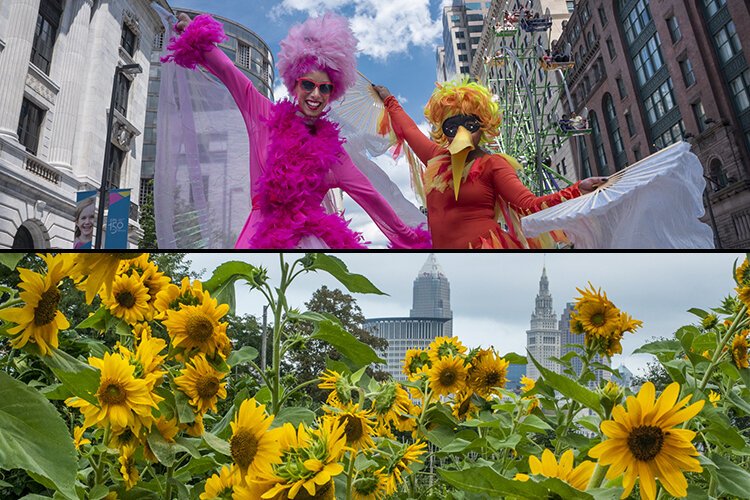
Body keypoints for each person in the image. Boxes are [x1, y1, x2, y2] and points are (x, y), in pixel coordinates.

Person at [161, 13, 430, 249]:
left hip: (310, 240)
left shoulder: (335, 156)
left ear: (332, 93)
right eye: (308, 85)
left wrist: (410, 238)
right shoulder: (262, 113)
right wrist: (196, 37)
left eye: (324, 88)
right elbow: (230, 73)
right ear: (295, 84)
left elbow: (372, 198)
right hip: (259, 234)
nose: (315, 94)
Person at [373, 79, 608, 249]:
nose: (461, 132)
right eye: (451, 126)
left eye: (470, 124)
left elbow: (529, 204)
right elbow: (410, 129)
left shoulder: (493, 165)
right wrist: (389, 99)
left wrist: (578, 189)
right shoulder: (436, 158)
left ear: (483, 125)